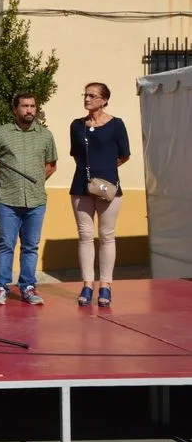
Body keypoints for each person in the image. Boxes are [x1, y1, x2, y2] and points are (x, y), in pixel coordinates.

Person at [0, 94, 58, 306]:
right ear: (15, 109)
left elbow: (51, 165)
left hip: (36, 201)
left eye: (32, 106)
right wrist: (7, 182)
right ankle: (1, 287)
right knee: (6, 244)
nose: (29, 110)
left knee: (30, 246)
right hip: (8, 200)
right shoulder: (1, 133)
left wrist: (36, 181)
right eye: (25, 106)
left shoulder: (45, 135)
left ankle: (27, 287)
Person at [69, 82, 130, 307]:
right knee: (85, 235)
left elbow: (124, 155)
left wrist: (105, 172)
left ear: (104, 100)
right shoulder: (76, 125)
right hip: (81, 187)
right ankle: (87, 284)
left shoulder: (116, 124)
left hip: (108, 187)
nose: (87, 99)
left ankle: (106, 285)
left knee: (107, 235)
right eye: (85, 95)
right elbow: (76, 154)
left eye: (92, 96)